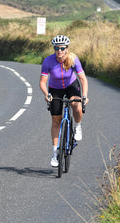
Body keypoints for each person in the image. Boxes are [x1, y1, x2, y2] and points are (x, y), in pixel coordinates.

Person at [39, 34, 89, 167]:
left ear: (67, 48)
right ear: (54, 49)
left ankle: (78, 126)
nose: (59, 51)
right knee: (56, 120)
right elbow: (43, 82)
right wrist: (46, 94)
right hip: (55, 89)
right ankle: (55, 153)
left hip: (71, 86)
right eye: (56, 48)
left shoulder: (73, 59)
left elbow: (83, 79)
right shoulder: (48, 61)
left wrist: (84, 96)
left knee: (76, 105)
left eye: (62, 48)